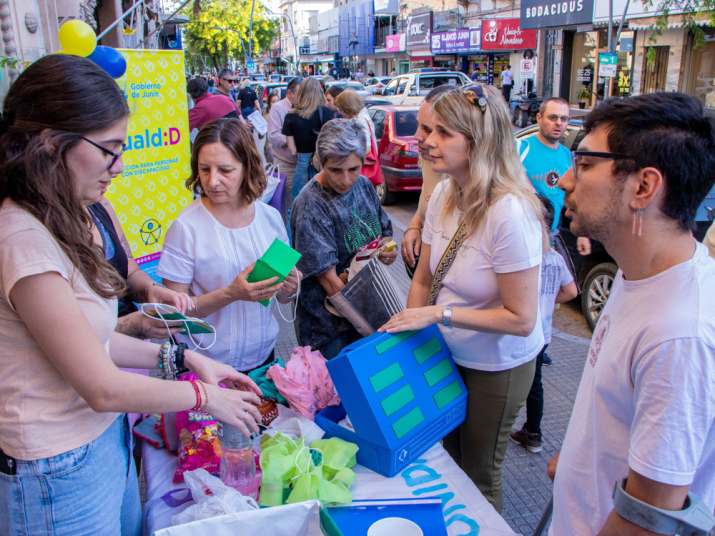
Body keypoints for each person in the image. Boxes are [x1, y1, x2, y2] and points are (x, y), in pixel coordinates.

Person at [0, 54, 262, 536]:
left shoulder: (66, 214)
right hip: (56, 470)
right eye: (110, 150)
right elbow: (101, 385)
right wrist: (204, 396)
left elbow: (93, 341)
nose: (118, 168)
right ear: (51, 144)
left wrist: (183, 359)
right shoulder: (22, 239)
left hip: (101, 442)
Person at [549, 92, 715, 535]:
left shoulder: (679, 332)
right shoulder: (637, 272)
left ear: (643, 187)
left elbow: (651, 516)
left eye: (584, 164)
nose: (565, 180)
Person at [380, 84, 544, 512]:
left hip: (497, 365)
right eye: (425, 128)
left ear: (479, 141)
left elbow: (521, 318)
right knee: (447, 465)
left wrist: (439, 314)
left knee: (478, 476)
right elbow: (425, 277)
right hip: (446, 355)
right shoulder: (445, 195)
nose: (425, 141)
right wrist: (410, 329)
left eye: (442, 132)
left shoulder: (510, 212)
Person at [159, 118, 300, 372]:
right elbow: (172, 314)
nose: (212, 181)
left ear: (247, 167)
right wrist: (230, 294)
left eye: (225, 170)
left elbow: (282, 296)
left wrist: (289, 287)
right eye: (204, 170)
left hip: (264, 360)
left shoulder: (271, 219)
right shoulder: (186, 227)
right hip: (205, 367)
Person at [292, 119, 395, 358]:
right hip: (330, 330)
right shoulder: (311, 204)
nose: (346, 180)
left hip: (367, 311)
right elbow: (330, 283)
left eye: (353, 169)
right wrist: (374, 324)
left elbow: (384, 236)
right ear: (320, 163)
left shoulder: (364, 186)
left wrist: (388, 252)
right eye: (335, 170)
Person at [509, 197, 577, 453]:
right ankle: (533, 432)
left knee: (517, 381)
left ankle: (508, 428)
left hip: (518, 330)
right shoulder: (556, 258)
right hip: (543, 333)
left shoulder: (523, 257)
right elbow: (571, 291)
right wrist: (549, 302)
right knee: (535, 383)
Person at [88, 197, 193, 339]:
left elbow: (128, 271)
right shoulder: (49, 230)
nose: (115, 173)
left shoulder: (100, 204)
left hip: (131, 345)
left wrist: (150, 288)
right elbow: (69, 337)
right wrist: (131, 326)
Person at [400, 85, 452, 275]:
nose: (417, 136)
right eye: (418, 125)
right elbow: (426, 200)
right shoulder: (429, 159)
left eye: (428, 130)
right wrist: (414, 225)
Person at [282, 77, 336, 201]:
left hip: (302, 163)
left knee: (298, 203)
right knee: (324, 202)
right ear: (320, 92)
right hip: (323, 164)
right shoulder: (327, 113)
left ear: (301, 92)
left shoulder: (291, 116)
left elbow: (292, 150)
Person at [267, 77, 302, 218]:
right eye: (300, 94)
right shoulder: (278, 108)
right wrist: (292, 141)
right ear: (290, 93)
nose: (303, 98)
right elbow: (273, 136)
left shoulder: (304, 108)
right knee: (288, 207)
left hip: (302, 165)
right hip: (286, 165)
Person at [334, 90, 372, 154]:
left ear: (347, 107)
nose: (340, 113)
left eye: (341, 109)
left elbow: (367, 148)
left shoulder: (360, 120)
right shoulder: (362, 116)